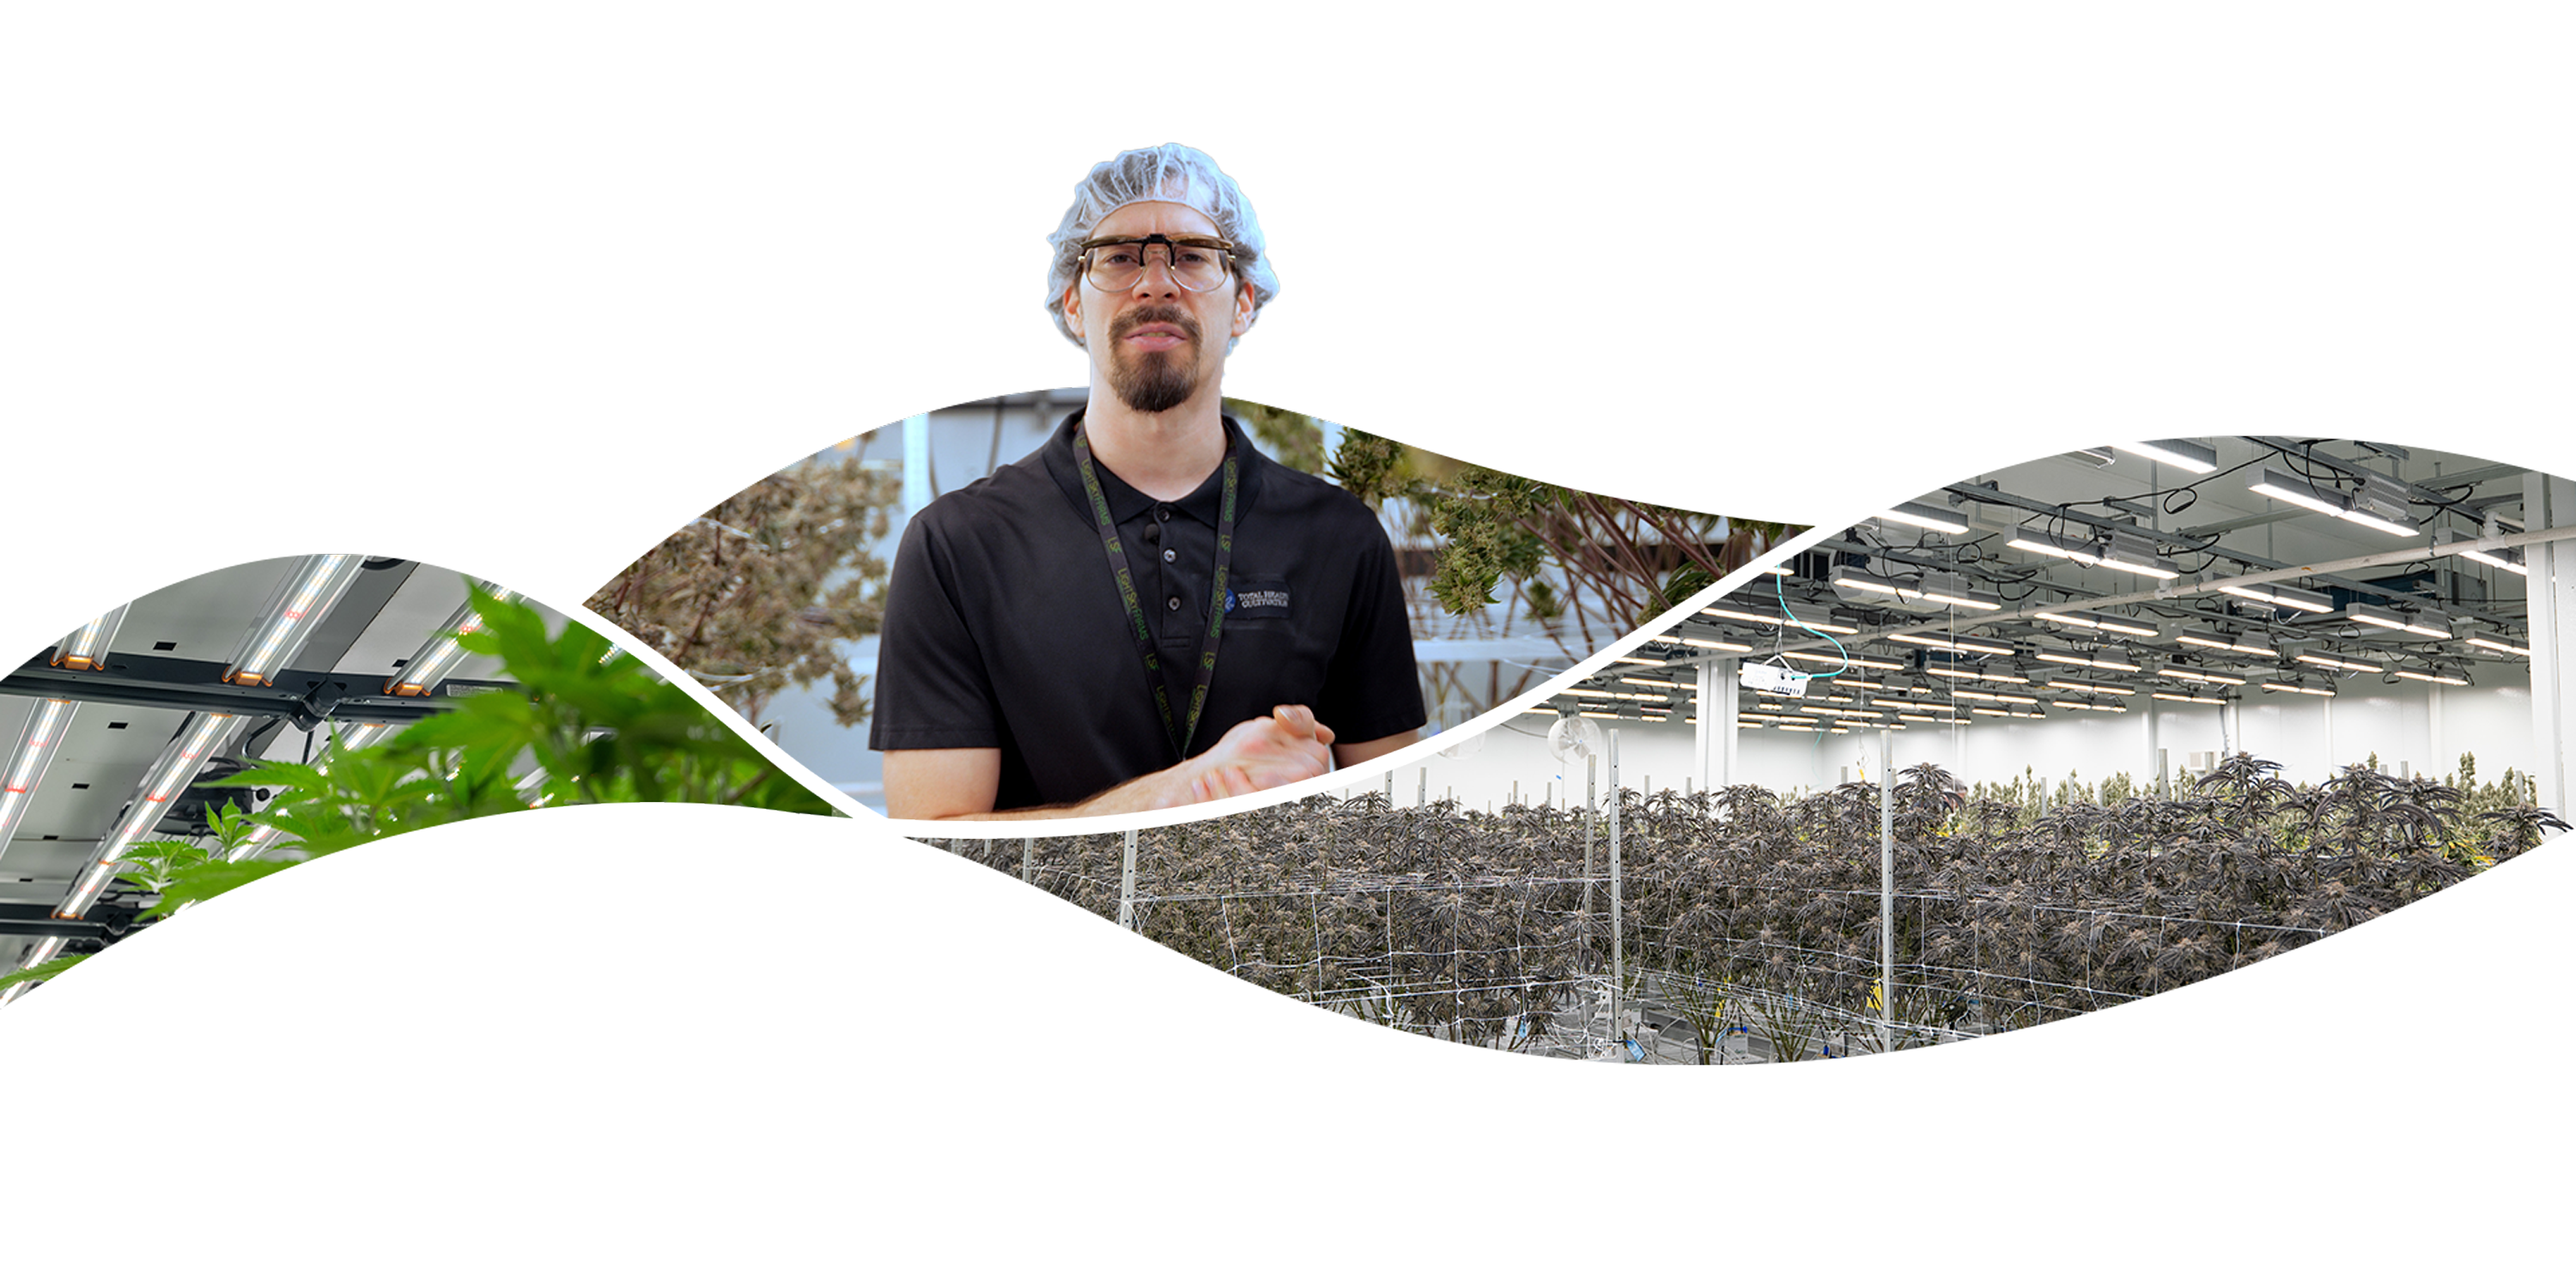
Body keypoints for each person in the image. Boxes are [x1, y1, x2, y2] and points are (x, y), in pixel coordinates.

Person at [871, 143, 1425, 821]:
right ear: (1073, 306)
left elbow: (1398, 815)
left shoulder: (1339, 536)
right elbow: (935, 843)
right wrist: (1182, 792)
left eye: (1192, 256)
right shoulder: (957, 546)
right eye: (1121, 256)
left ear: (1245, 302)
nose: (1156, 283)